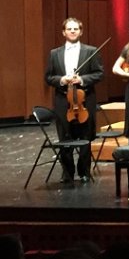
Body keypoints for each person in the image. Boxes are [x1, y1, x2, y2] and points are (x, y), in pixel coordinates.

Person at [44, 18, 105, 184]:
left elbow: (99, 73)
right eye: (69, 29)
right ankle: (67, 173)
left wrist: (82, 79)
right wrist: (62, 80)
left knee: (85, 137)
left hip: (85, 99)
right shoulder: (54, 53)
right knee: (65, 136)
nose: (72, 31)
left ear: (81, 31)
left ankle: (84, 172)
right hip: (63, 100)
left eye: (75, 29)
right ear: (63, 32)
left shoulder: (91, 51)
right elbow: (49, 77)